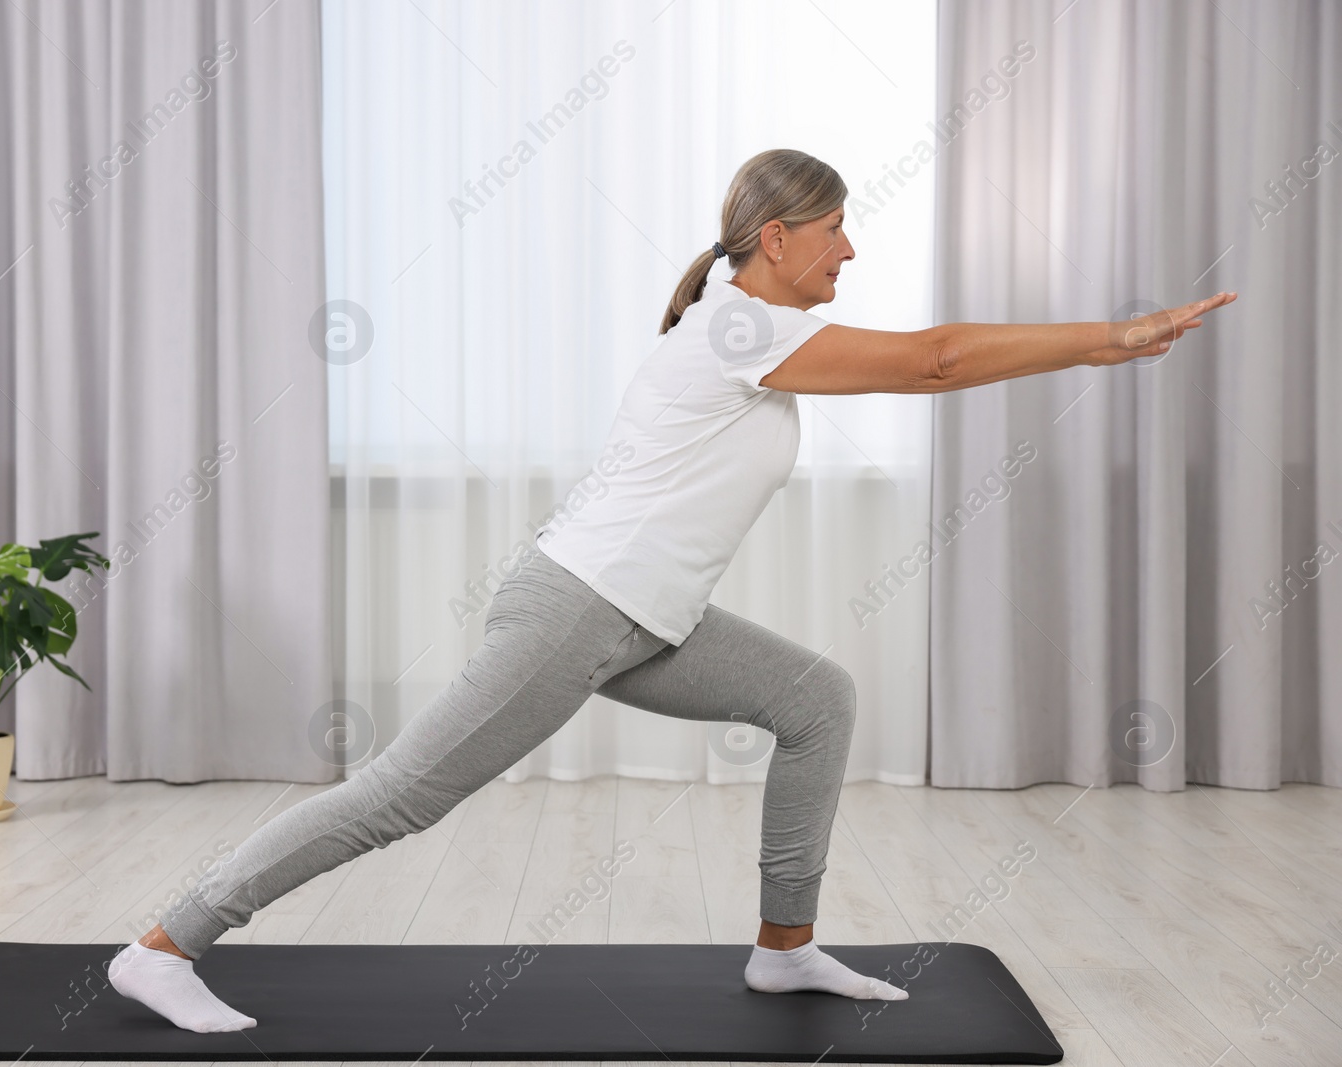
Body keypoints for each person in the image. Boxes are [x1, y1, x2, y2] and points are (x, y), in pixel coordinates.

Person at [107, 148, 1237, 1032]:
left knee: (816, 699)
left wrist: (1100, 351)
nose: (850, 247)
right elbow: (934, 359)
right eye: (837, 225)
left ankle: (783, 944)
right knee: (406, 793)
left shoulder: (758, 330)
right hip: (575, 603)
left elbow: (930, 359)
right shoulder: (738, 324)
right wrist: (1106, 337)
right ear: (779, 235)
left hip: (643, 619)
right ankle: (164, 944)